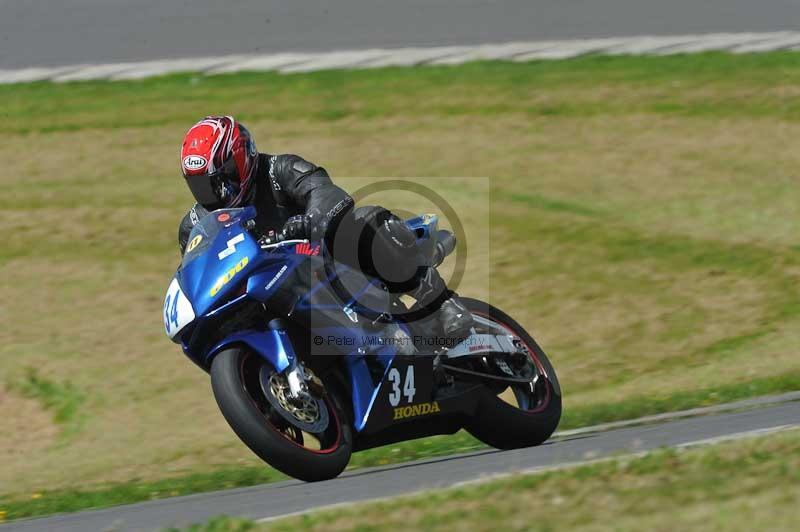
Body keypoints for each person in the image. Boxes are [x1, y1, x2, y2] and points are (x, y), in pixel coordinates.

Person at [177, 115, 472, 340]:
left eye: (221, 179)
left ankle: (439, 302)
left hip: (325, 262)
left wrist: (309, 221)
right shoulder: (195, 225)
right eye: (202, 185)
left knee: (364, 221)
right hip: (275, 292)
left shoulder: (279, 170)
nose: (216, 193)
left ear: (239, 160)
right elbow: (197, 273)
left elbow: (326, 192)